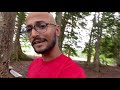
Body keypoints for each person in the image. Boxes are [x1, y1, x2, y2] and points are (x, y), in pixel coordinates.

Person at [26, 12, 86, 78]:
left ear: (57, 30)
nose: (33, 34)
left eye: (42, 26)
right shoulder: (34, 64)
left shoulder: (74, 73)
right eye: (29, 29)